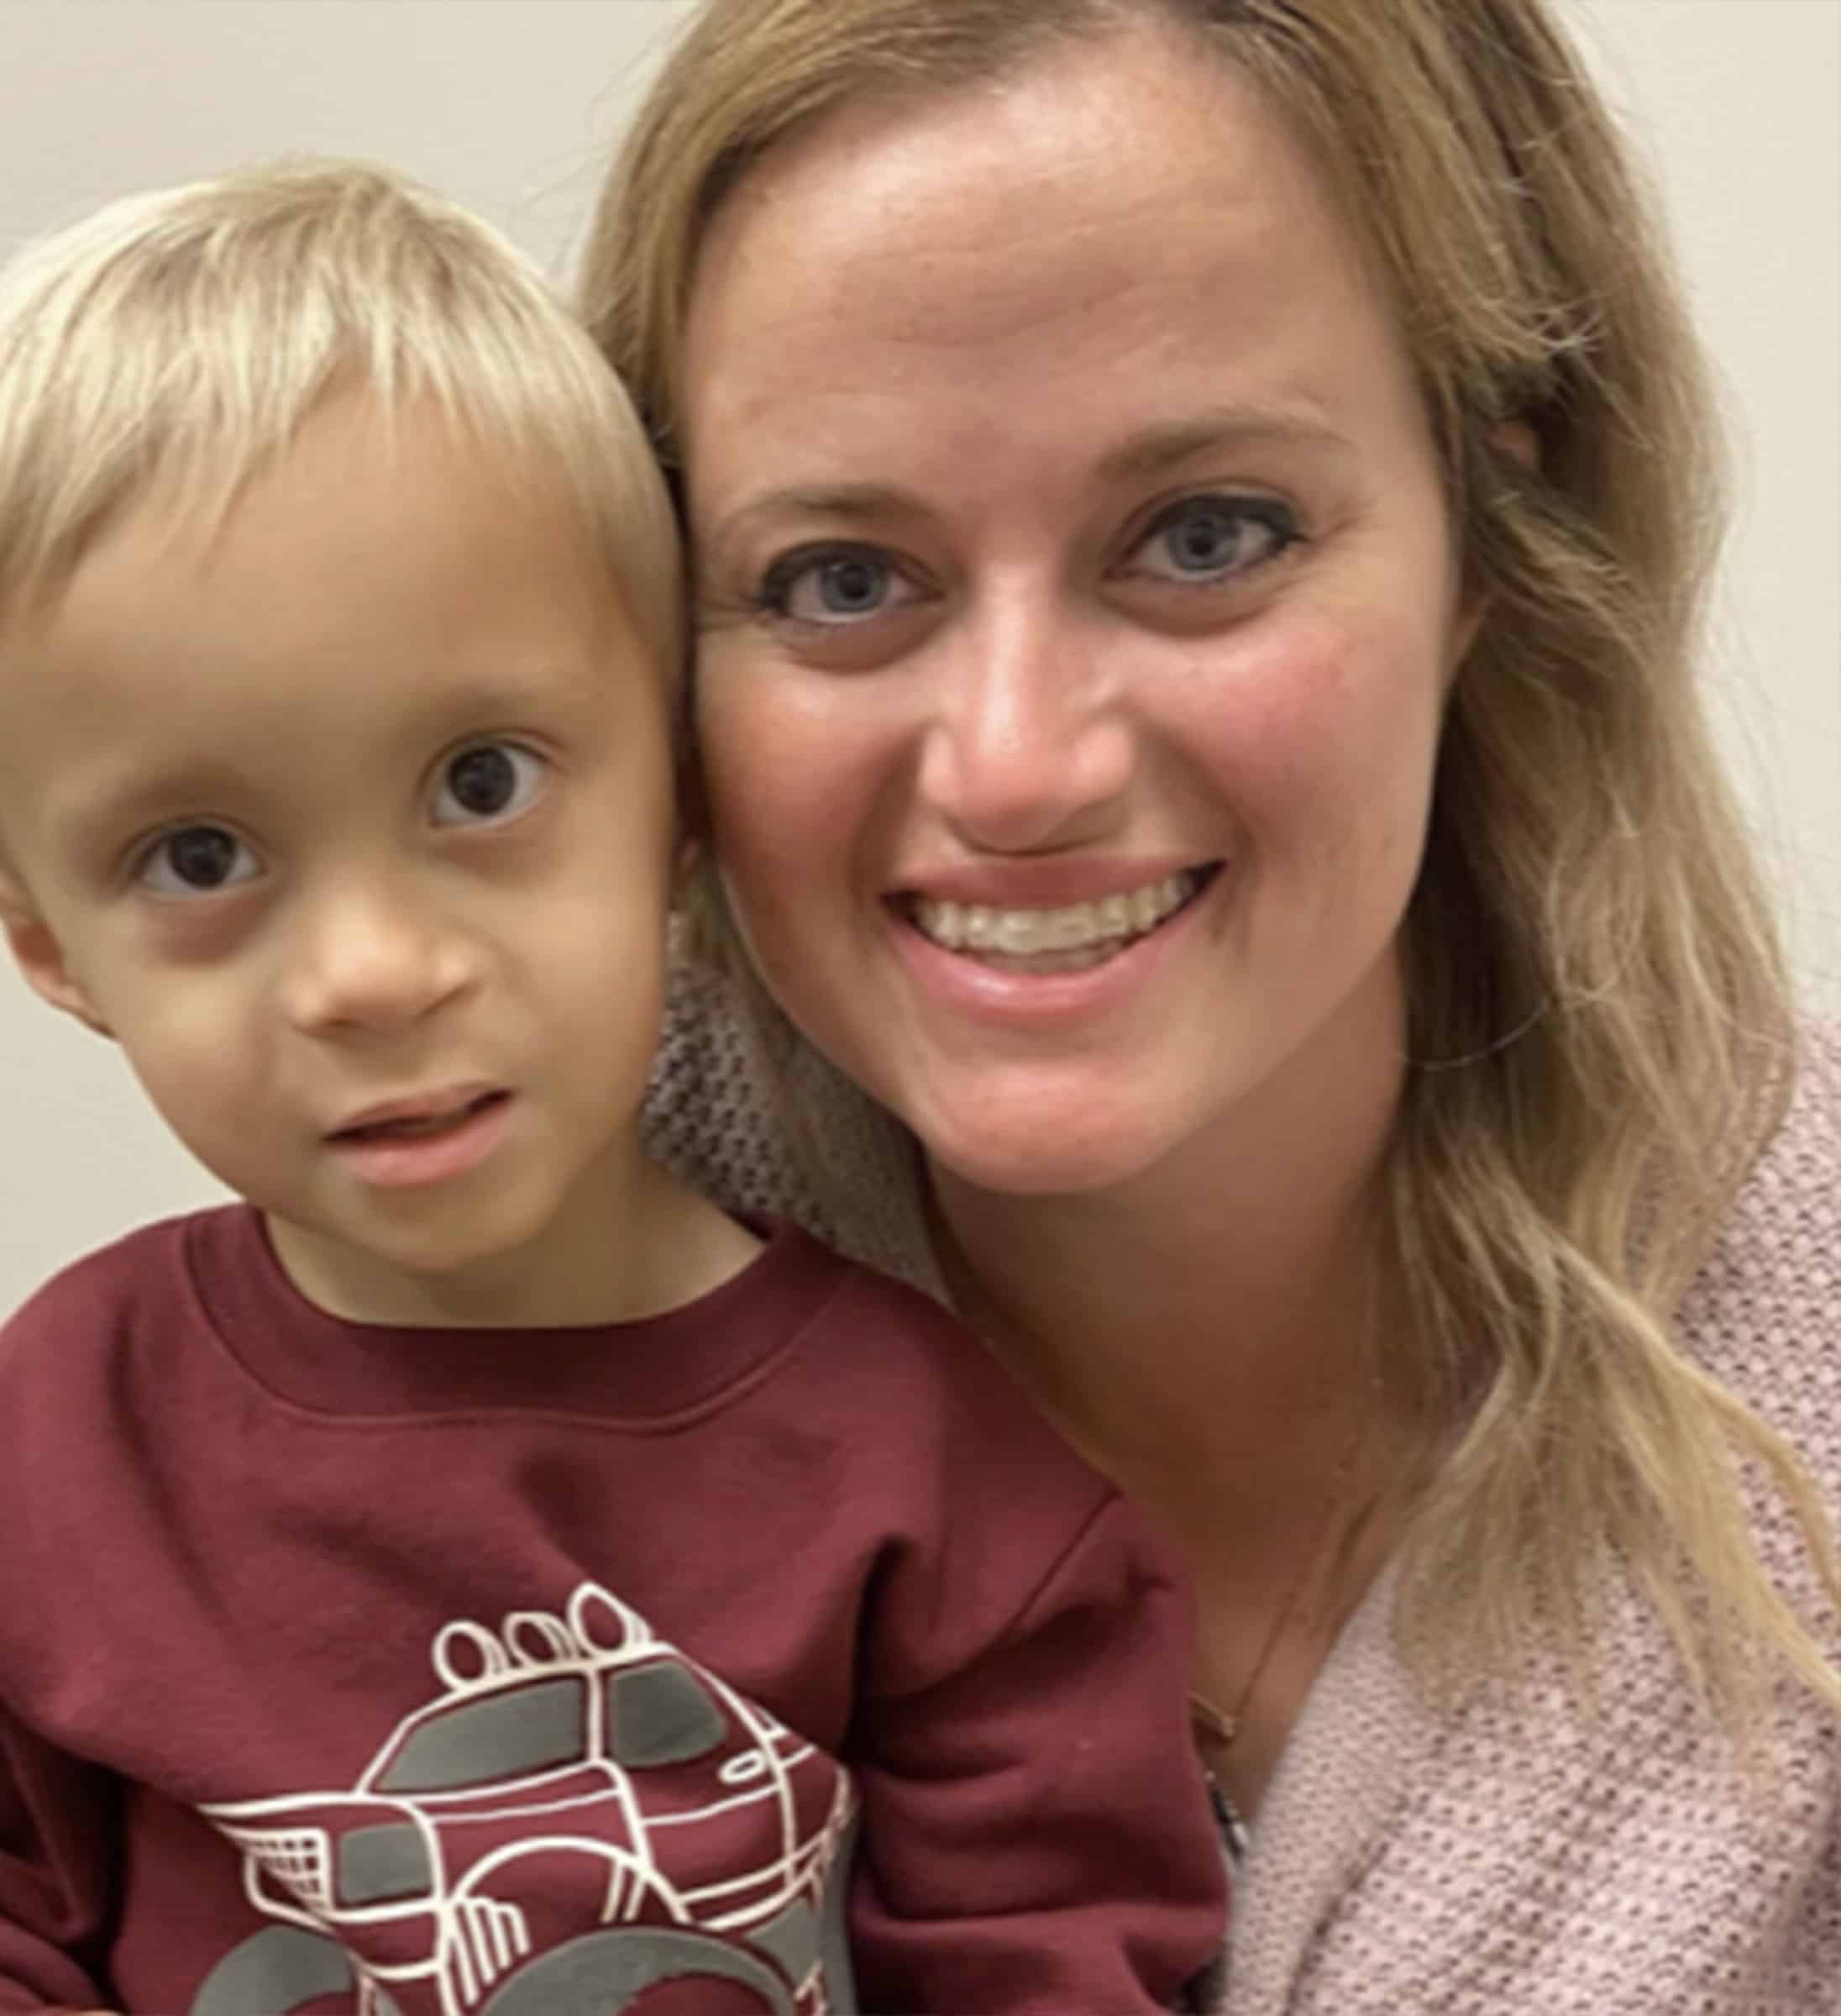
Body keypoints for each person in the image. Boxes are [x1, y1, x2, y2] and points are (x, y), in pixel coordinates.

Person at [0, 160, 1229, 2013]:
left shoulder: (939, 1486)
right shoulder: (47, 1452)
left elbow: (1057, 1949)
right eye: (196, 856)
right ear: (50, 951)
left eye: (480, 783)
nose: (369, 975)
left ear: (680, 799)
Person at [580, 0, 1841, 2008]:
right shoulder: (454, 1318)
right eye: (838, 579)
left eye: (1204, 538)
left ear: (1492, 547)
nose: (1014, 765)